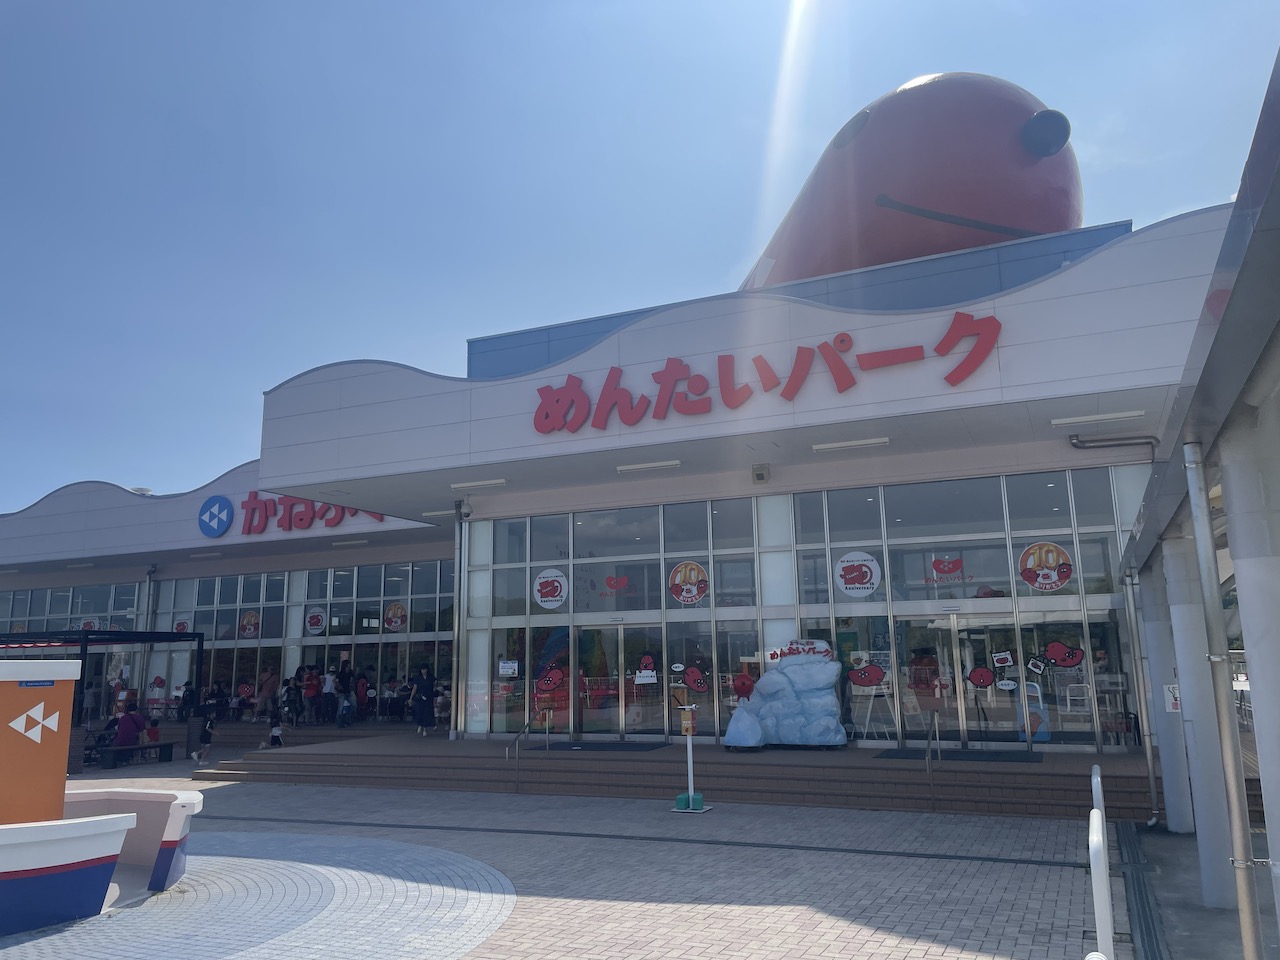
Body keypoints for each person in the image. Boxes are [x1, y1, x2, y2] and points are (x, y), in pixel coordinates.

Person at [411, 664, 437, 735]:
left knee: (427, 713)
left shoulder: (431, 677)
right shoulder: (417, 678)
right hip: (420, 697)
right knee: (419, 712)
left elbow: (434, 686)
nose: (424, 671)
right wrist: (411, 697)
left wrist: (434, 692)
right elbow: (415, 688)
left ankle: (425, 729)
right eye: (422, 669)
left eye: (425, 669)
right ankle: (420, 725)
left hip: (429, 697)